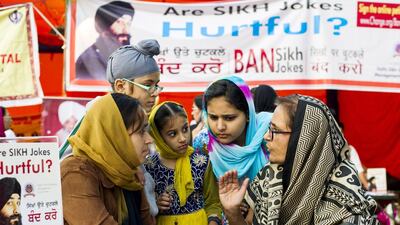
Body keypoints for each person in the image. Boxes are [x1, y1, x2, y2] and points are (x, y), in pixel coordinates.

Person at [219, 95, 380, 225]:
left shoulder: (346, 201)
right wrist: (233, 213)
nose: (266, 136)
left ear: (304, 140)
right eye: (269, 128)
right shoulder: (268, 178)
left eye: (274, 130)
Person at [61, 93, 155, 225]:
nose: (149, 139)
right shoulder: (76, 173)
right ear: (116, 135)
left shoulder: (128, 172)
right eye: (140, 131)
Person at [145, 101, 222, 225]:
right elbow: (142, 208)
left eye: (185, 129)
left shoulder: (201, 162)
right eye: (172, 134)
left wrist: (213, 221)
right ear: (158, 136)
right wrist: (155, 205)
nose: (182, 138)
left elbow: (213, 203)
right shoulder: (149, 166)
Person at [195, 76, 272, 181]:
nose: (220, 127)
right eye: (213, 117)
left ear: (248, 114)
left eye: (229, 118)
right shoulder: (203, 142)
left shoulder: (269, 136)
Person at [75, 1, 135, 80]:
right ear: (104, 28)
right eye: (120, 22)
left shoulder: (121, 58)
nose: (126, 30)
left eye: (128, 23)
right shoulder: (90, 59)